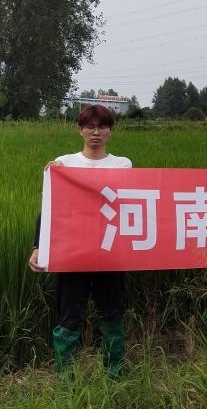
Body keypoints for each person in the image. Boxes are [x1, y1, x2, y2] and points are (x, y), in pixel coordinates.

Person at [28, 104, 132, 376]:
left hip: (109, 251)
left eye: (102, 127)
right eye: (90, 127)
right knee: (69, 317)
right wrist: (38, 247)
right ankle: (66, 383)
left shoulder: (122, 164)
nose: (96, 133)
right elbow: (50, 209)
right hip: (72, 253)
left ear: (110, 132)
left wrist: (70, 178)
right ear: (80, 130)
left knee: (112, 314)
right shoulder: (63, 163)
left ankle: (115, 376)